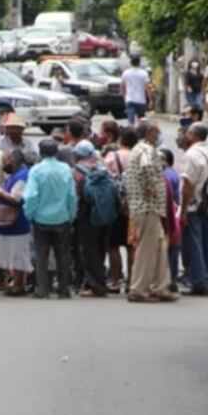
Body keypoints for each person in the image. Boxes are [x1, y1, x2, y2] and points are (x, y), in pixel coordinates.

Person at [125, 121, 177, 302]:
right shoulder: (146, 150)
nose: (159, 134)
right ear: (148, 133)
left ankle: (160, 286)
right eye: (156, 131)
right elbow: (147, 167)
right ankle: (139, 289)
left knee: (159, 247)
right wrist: (150, 187)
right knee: (147, 250)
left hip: (149, 207)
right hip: (148, 206)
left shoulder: (139, 149)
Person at [23, 139, 78, 299]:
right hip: (62, 217)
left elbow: (31, 195)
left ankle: (42, 289)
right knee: (63, 254)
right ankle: (64, 288)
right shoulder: (65, 169)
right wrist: (71, 213)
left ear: (41, 152)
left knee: (42, 255)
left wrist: (30, 213)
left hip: (41, 218)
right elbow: (72, 195)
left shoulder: (36, 170)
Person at [179, 123, 208, 296]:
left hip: (195, 205)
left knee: (195, 244)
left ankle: (199, 282)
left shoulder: (191, 155)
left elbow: (187, 185)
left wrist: (183, 210)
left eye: (187, 133)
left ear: (193, 135)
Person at [0, 149, 33, 296]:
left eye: (6, 160)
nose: (4, 163)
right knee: (12, 253)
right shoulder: (14, 175)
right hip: (9, 221)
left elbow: (15, 199)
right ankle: (15, 281)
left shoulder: (22, 176)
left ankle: (19, 284)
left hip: (17, 221)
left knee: (18, 254)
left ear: (13, 161)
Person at [72, 141, 110, 297]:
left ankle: (95, 285)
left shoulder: (77, 171)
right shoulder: (101, 168)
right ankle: (99, 280)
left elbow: (74, 194)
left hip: (86, 215)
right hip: (105, 215)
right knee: (100, 249)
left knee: (88, 250)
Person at [103, 127, 136, 292]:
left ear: (121, 140)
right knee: (132, 246)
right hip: (133, 207)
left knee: (113, 246)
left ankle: (115, 281)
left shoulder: (112, 156)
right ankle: (131, 282)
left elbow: (105, 180)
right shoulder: (137, 156)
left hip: (115, 206)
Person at [159, 148, 182, 292]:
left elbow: (168, 199)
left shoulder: (166, 176)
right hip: (174, 212)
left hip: (170, 213)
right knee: (173, 247)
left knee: (170, 248)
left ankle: (169, 278)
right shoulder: (172, 173)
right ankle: (171, 277)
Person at [120, 55, 151, 125]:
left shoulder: (126, 73)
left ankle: (131, 133)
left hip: (130, 99)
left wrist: (124, 97)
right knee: (142, 120)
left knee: (130, 121)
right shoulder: (143, 73)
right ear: (139, 63)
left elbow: (122, 86)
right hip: (141, 100)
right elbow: (147, 87)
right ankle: (141, 133)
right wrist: (150, 99)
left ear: (131, 63)